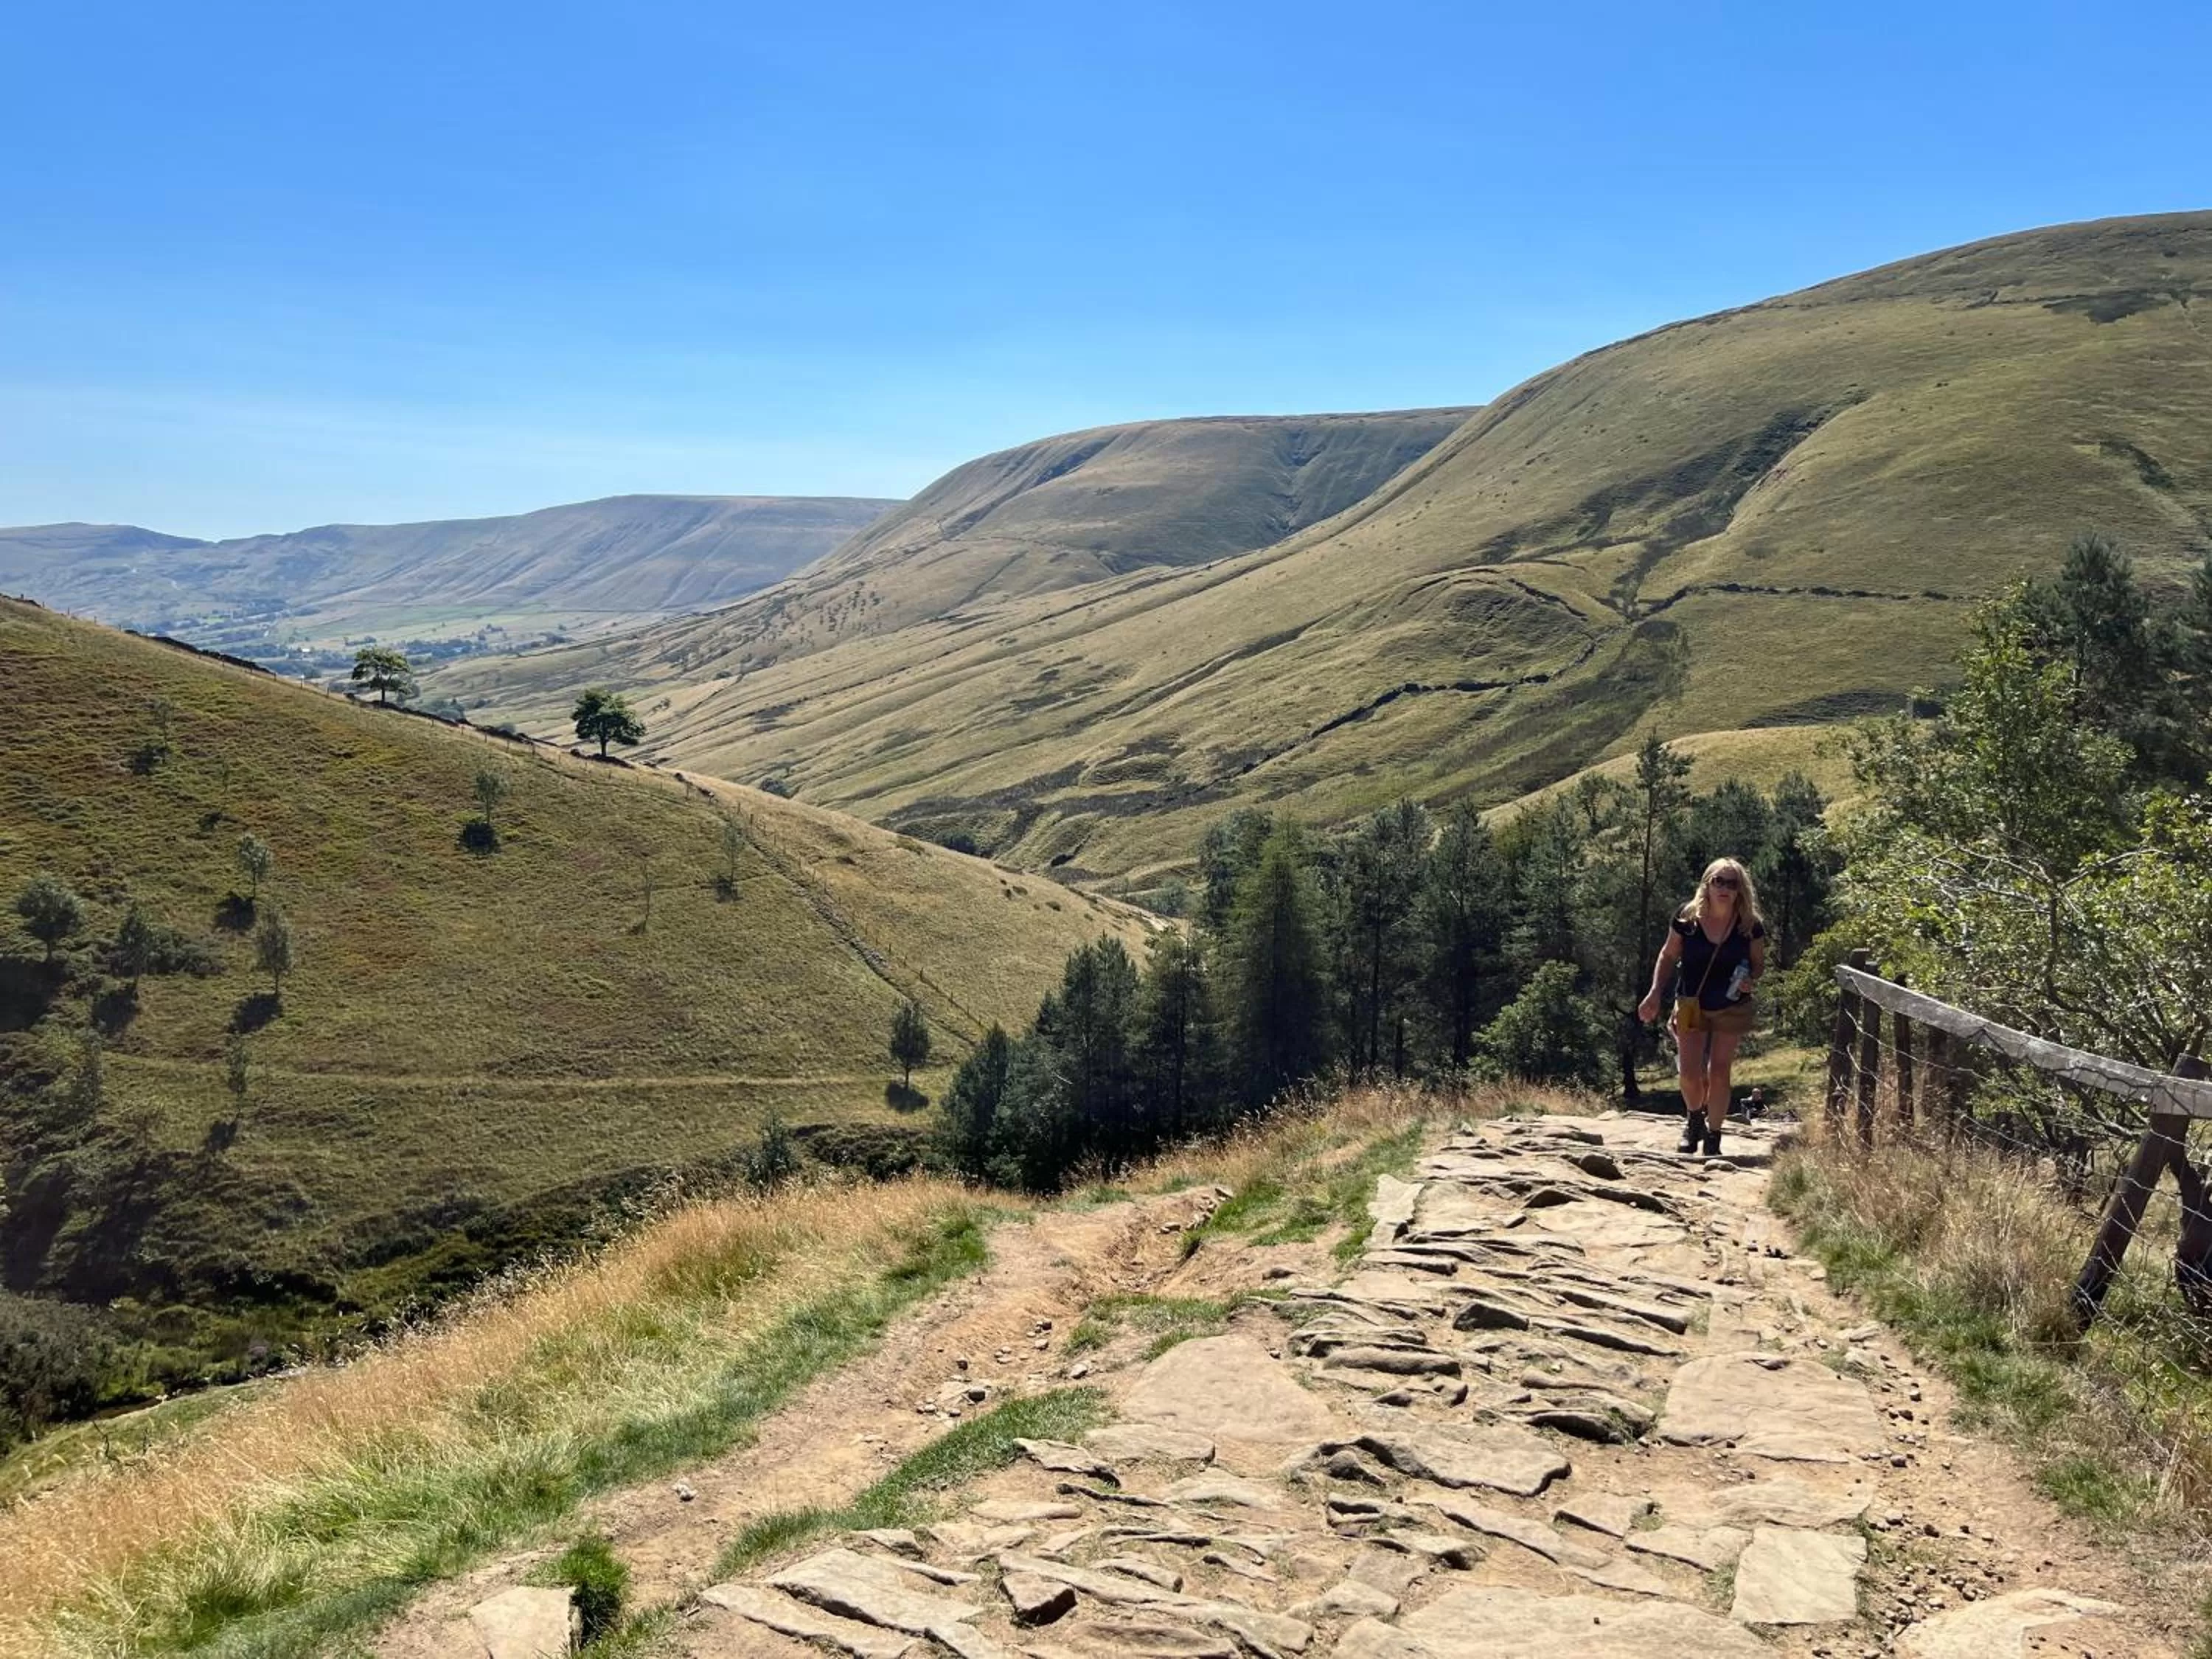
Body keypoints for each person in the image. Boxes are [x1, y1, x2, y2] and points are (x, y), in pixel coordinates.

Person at [1637, 857, 1766, 1156]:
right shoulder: (1687, 919)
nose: (1724, 888)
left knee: (1719, 1072)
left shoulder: (1750, 925)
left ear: (1740, 889)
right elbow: (1668, 955)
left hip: (1731, 1006)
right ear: (1707, 884)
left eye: (1732, 883)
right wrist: (1655, 993)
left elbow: (1758, 965)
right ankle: (1694, 1119)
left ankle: (1714, 1136)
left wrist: (1750, 978)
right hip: (1691, 1002)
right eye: (1718, 881)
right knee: (1689, 1073)